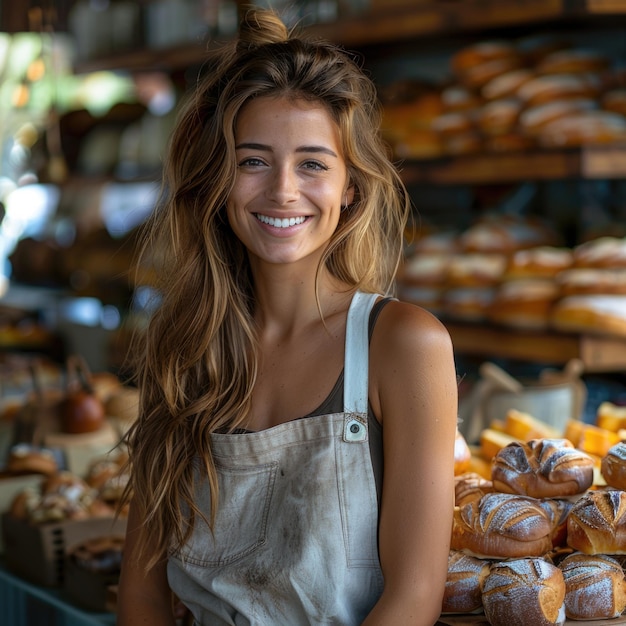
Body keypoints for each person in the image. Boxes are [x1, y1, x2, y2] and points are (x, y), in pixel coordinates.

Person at [116, 7, 458, 626]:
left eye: (312, 164)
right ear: (219, 179)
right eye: (253, 161)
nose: (281, 191)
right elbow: (141, 595)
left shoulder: (402, 344)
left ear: (351, 185)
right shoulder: (185, 345)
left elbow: (411, 601)